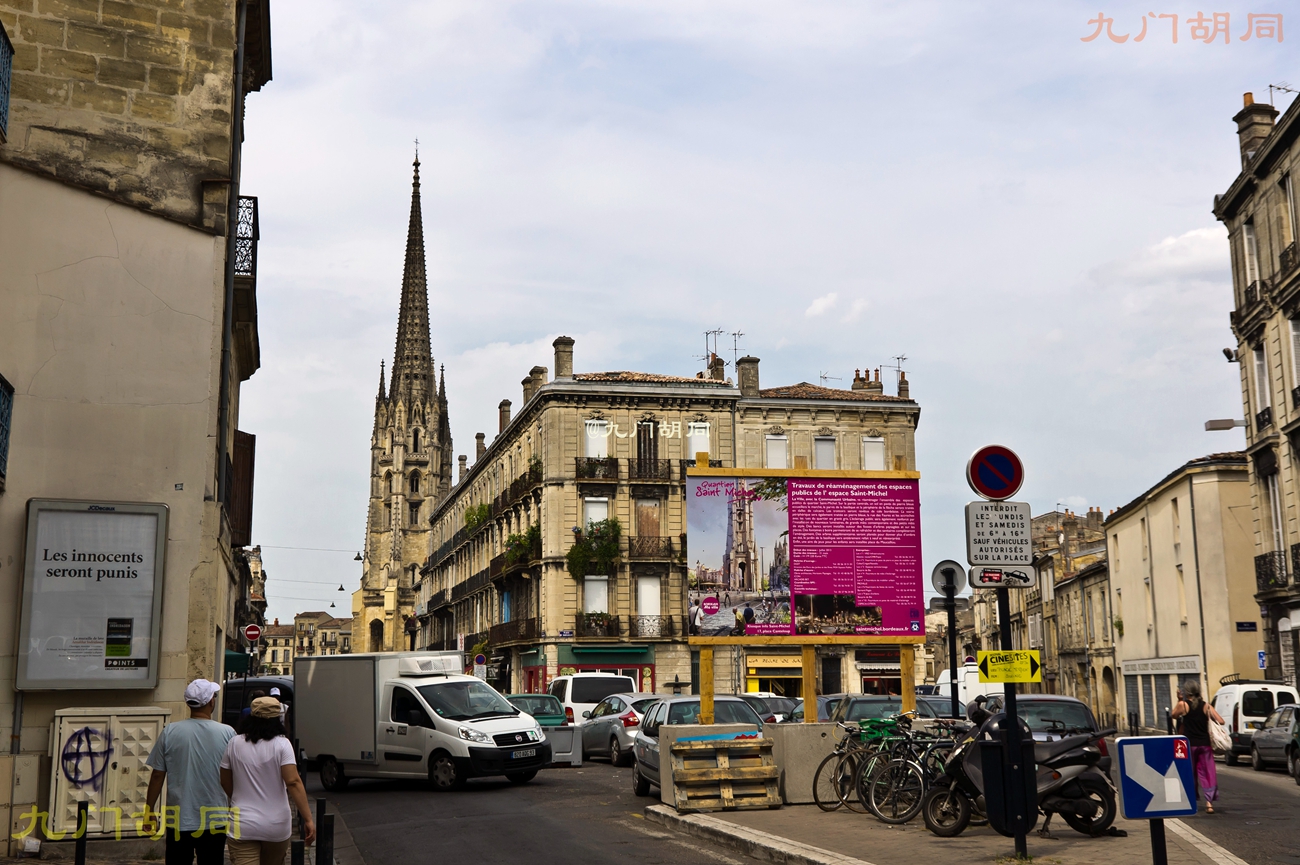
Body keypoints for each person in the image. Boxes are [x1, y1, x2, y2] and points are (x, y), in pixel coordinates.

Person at [144, 679, 236, 865]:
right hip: (214, 816)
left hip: (178, 817)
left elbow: (157, 775)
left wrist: (149, 810)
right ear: (211, 701)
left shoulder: (170, 731)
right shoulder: (227, 733)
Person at [220, 697, 315, 865]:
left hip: (243, 823)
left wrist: (238, 796)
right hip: (276, 825)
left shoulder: (234, 743)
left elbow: (225, 779)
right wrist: (308, 819)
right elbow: (293, 782)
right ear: (277, 719)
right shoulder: (282, 745)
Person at [1172, 680, 1225, 813]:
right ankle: (1209, 804)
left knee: (1190, 773)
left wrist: (1179, 700)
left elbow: (1173, 715)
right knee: (1208, 773)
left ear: (1186, 692)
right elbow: (1221, 721)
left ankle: (1191, 800)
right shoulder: (1206, 706)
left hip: (1189, 745)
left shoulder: (1183, 705)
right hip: (1205, 744)